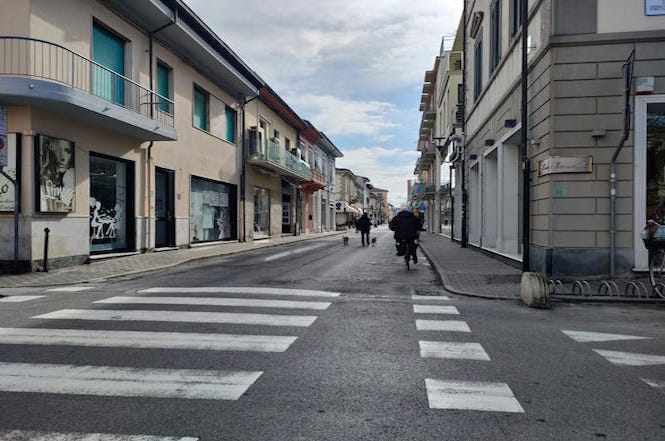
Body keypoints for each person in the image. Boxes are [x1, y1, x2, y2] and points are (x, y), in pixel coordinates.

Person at [40, 137, 75, 212]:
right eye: (57, 151)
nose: (62, 158)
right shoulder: (42, 183)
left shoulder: (72, 177)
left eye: (68, 152)